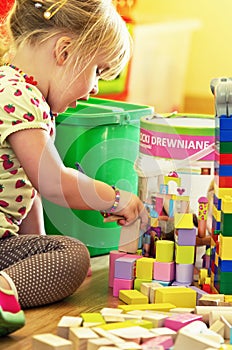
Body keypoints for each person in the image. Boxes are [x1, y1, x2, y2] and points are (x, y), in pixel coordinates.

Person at [0, 0, 148, 337]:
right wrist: (115, 199)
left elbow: (28, 191)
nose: (96, 87)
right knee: (73, 255)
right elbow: (53, 182)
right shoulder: (22, 98)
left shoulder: (10, 86)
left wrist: (38, 251)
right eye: (97, 70)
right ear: (64, 51)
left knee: (56, 251)